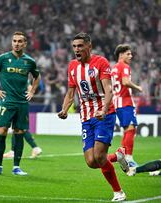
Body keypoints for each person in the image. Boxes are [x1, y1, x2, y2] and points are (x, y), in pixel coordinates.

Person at [58, 32, 127, 201]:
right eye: (74, 46)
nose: (77, 49)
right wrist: (65, 109)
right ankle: (118, 156)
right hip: (86, 116)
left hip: (105, 114)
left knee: (99, 156)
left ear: (89, 46)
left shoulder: (100, 62)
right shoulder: (72, 66)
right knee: (91, 162)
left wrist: (103, 110)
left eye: (80, 46)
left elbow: (109, 90)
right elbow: (70, 92)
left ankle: (118, 192)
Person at [0, 31, 41, 176]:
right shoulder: (3, 58)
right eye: (14, 41)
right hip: (7, 101)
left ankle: (16, 167)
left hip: (22, 102)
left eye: (20, 41)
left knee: (19, 132)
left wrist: (32, 91)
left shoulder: (29, 61)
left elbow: (37, 76)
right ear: (12, 43)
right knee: (2, 130)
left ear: (25, 43)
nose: (16, 43)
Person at [111, 44, 143, 167]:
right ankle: (129, 158)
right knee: (131, 129)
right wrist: (137, 87)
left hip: (117, 102)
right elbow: (125, 82)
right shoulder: (124, 66)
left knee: (128, 130)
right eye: (128, 54)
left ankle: (123, 155)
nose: (131, 56)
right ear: (121, 54)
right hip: (125, 102)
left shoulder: (113, 68)